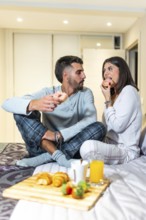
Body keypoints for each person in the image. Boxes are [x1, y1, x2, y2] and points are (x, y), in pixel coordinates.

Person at [2, 55, 106, 168]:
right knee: (21, 111)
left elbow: (90, 119)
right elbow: (6, 103)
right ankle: (58, 155)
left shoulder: (86, 93)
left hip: (71, 145)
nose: (84, 76)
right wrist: (34, 104)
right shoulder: (48, 92)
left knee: (100, 127)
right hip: (43, 146)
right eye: (79, 72)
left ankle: (50, 156)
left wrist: (59, 135)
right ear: (65, 75)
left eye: (83, 72)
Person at [80, 56, 142, 165]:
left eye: (110, 69)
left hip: (126, 150)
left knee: (87, 147)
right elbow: (107, 126)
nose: (105, 73)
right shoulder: (112, 95)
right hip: (109, 144)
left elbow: (118, 126)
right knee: (83, 137)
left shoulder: (129, 91)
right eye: (104, 70)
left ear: (121, 70)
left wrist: (107, 100)